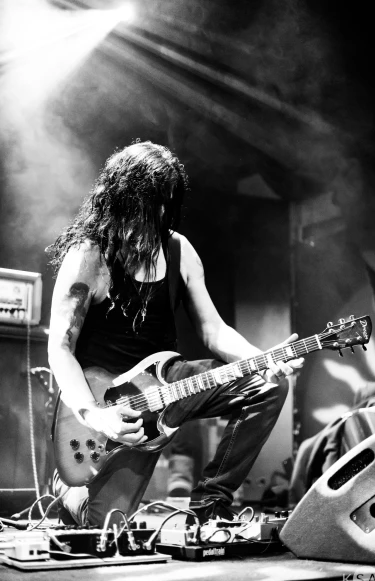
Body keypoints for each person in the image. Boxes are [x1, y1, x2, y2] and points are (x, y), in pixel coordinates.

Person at [47, 140, 304, 528]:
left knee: (267, 386)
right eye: (149, 204)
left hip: (169, 382)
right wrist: (96, 416)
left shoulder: (180, 251)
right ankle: (69, 492)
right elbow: (60, 347)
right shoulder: (89, 256)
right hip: (110, 401)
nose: (158, 215)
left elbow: (213, 330)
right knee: (106, 528)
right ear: (119, 199)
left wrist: (261, 359)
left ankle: (211, 503)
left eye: (165, 204)